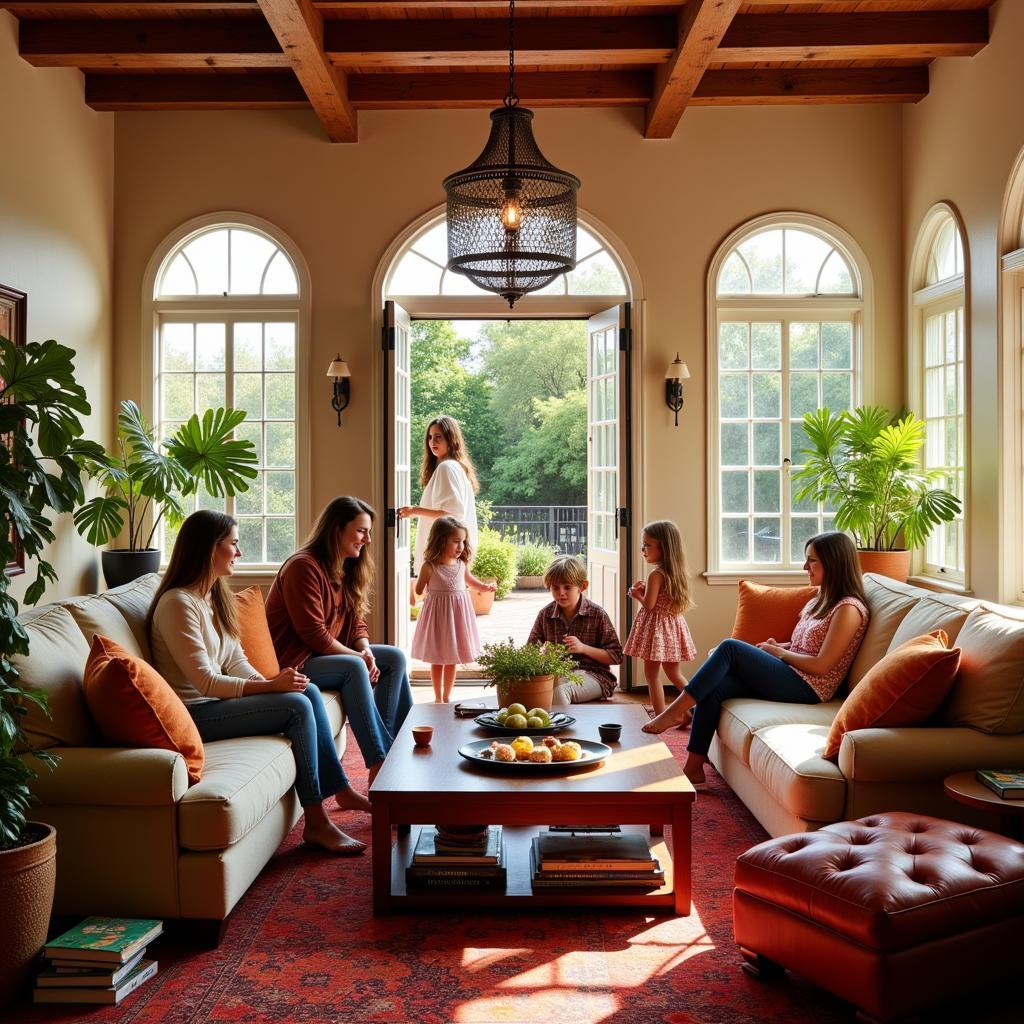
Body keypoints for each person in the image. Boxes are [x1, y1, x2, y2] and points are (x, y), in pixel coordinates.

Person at [147, 510, 366, 856]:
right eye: (233, 544)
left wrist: (276, 682)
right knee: (295, 707)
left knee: (304, 689)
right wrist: (269, 689)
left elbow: (235, 661)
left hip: (216, 704)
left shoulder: (212, 596)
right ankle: (316, 821)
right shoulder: (178, 604)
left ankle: (336, 788)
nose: (239, 552)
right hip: (195, 714)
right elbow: (204, 682)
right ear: (208, 549)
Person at [643, 531, 870, 788]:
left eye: (812, 560)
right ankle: (693, 768)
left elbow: (822, 665)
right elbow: (804, 645)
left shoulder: (848, 609)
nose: (805, 566)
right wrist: (778, 646)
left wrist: (780, 654)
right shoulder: (821, 599)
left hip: (809, 687)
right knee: (716, 687)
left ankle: (676, 712)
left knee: (729, 648)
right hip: (792, 671)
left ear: (834, 563)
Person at [266, 496, 413, 789]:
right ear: (336, 529)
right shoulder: (303, 567)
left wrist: (366, 649)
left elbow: (356, 620)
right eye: (361, 531)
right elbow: (314, 635)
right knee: (352, 667)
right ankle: (381, 763)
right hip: (294, 662)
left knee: (393, 658)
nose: (367, 539)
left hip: (320, 657)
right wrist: (358, 659)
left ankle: (402, 752)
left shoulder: (344, 567)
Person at [412, 515, 496, 703]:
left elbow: (470, 581)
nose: (461, 547)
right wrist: (421, 587)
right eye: (456, 541)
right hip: (438, 618)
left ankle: (447, 696)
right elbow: (418, 589)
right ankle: (437, 697)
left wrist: (484, 587)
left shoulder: (461, 564)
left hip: (457, 617)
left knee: (452, 658)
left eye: (463, 542)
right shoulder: (429, 566)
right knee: (437, 657)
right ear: (441, 540)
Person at [526, 555, 623, 704]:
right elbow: (529, 652)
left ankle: (564, 726)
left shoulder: (597, 614)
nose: (561, 593)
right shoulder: (545, 615)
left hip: (596, 676)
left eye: (567, 587)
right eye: (555, 588)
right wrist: (544, 657)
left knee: (560, 691)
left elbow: (616, 656)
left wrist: (583, 648)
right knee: (535, 689)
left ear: (582, 586)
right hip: (559, 674)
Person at [623, 520, 697, 715]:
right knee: (675, 674)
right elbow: (663, 600)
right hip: (672, 627)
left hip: (657, 630)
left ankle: (660, 716)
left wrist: (635, 593)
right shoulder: (676, 573)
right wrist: (646, 591)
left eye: (647, 545)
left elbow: (649, 605)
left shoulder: (656, 575)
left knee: (651, 675)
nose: (643, 549)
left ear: (663, 547)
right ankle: (693, 709)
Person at [397, 415, 479, 578]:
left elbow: (451, 515)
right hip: (448, 556)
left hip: (443, 555)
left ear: (451, 439)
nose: (432, 442)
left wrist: (414, 511)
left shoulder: (447, 468)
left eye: (438, 437)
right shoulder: (454, 467)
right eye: (430, 437)